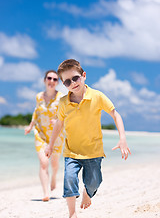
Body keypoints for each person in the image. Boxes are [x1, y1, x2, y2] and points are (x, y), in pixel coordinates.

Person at [45, 59, 131, 218]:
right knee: (70, 179)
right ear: (64, 84)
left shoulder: (97, 96)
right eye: (67, 81)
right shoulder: (63, 102)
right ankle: (72, 214)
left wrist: (122, 138)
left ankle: (87, 193)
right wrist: (50, 145)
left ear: (83, 76)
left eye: (75, 78)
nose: (73, 83)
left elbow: (115, 114)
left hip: (93, 152)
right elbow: (58, 124)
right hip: (71, 151)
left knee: (94, 182)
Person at [25, 70, 65, 202]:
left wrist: (59, 121)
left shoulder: (62, 97)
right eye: (49, 78)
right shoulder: (39, 96)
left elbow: (66, 115)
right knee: (44, 162)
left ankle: (53, 177)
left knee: (54, 164)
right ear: (44, 80)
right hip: (41, 134)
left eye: (55, 79)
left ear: (57, 82)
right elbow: (36, 112)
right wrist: (30, 126)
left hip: (56, 137)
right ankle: (46, 193)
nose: (52, 81)